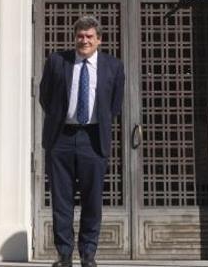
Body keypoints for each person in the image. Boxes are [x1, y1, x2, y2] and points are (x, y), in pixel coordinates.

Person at [39, 16, 125, 267]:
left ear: (99, 40)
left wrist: (96, 121)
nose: (84, 40)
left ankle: (88, 254)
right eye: (80, 35)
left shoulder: (113, 66)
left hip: (93, 138)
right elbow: (45, 97)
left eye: (89, 36)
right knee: (61, 199)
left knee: (92, 199)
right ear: (74, 37)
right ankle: (64, 255)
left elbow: (115, 104)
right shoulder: (57, 61)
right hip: (61, 138)